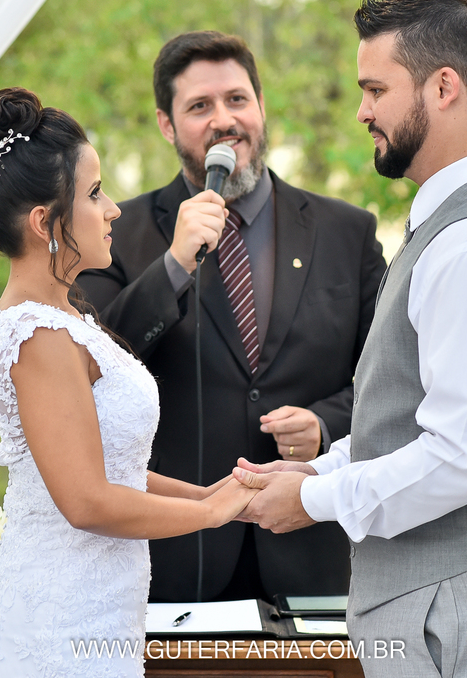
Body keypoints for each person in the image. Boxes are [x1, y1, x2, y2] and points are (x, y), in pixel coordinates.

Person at [234, 0, 467, 677]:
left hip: (461, 605)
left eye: (376, 90)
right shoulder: (455, 224)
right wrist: (313, 468)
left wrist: (315, 498)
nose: (362, 111)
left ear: (443, 86)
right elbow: (413, 423)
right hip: (440, 602)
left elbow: (465, 456)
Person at [78, 31, 386, 602]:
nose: (224, 120)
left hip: (313, 551)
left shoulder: (348, 232)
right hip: (174, 556)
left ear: (261, 109)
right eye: (200, 106)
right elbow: (88, 364)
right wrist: (173, 264)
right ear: (167, 126)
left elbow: (389, 381)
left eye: (237, 100)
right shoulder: (117, 232)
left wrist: (325, 425)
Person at [0, 87, 257, 678]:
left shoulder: (68, 312)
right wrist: (211, 515)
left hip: (99, 614)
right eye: (94, 194)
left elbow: (106, 465)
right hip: (59, 630)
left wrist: (205, 493)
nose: (114, 208)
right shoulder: (38, 333)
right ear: (46, 222)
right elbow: (86, 500)